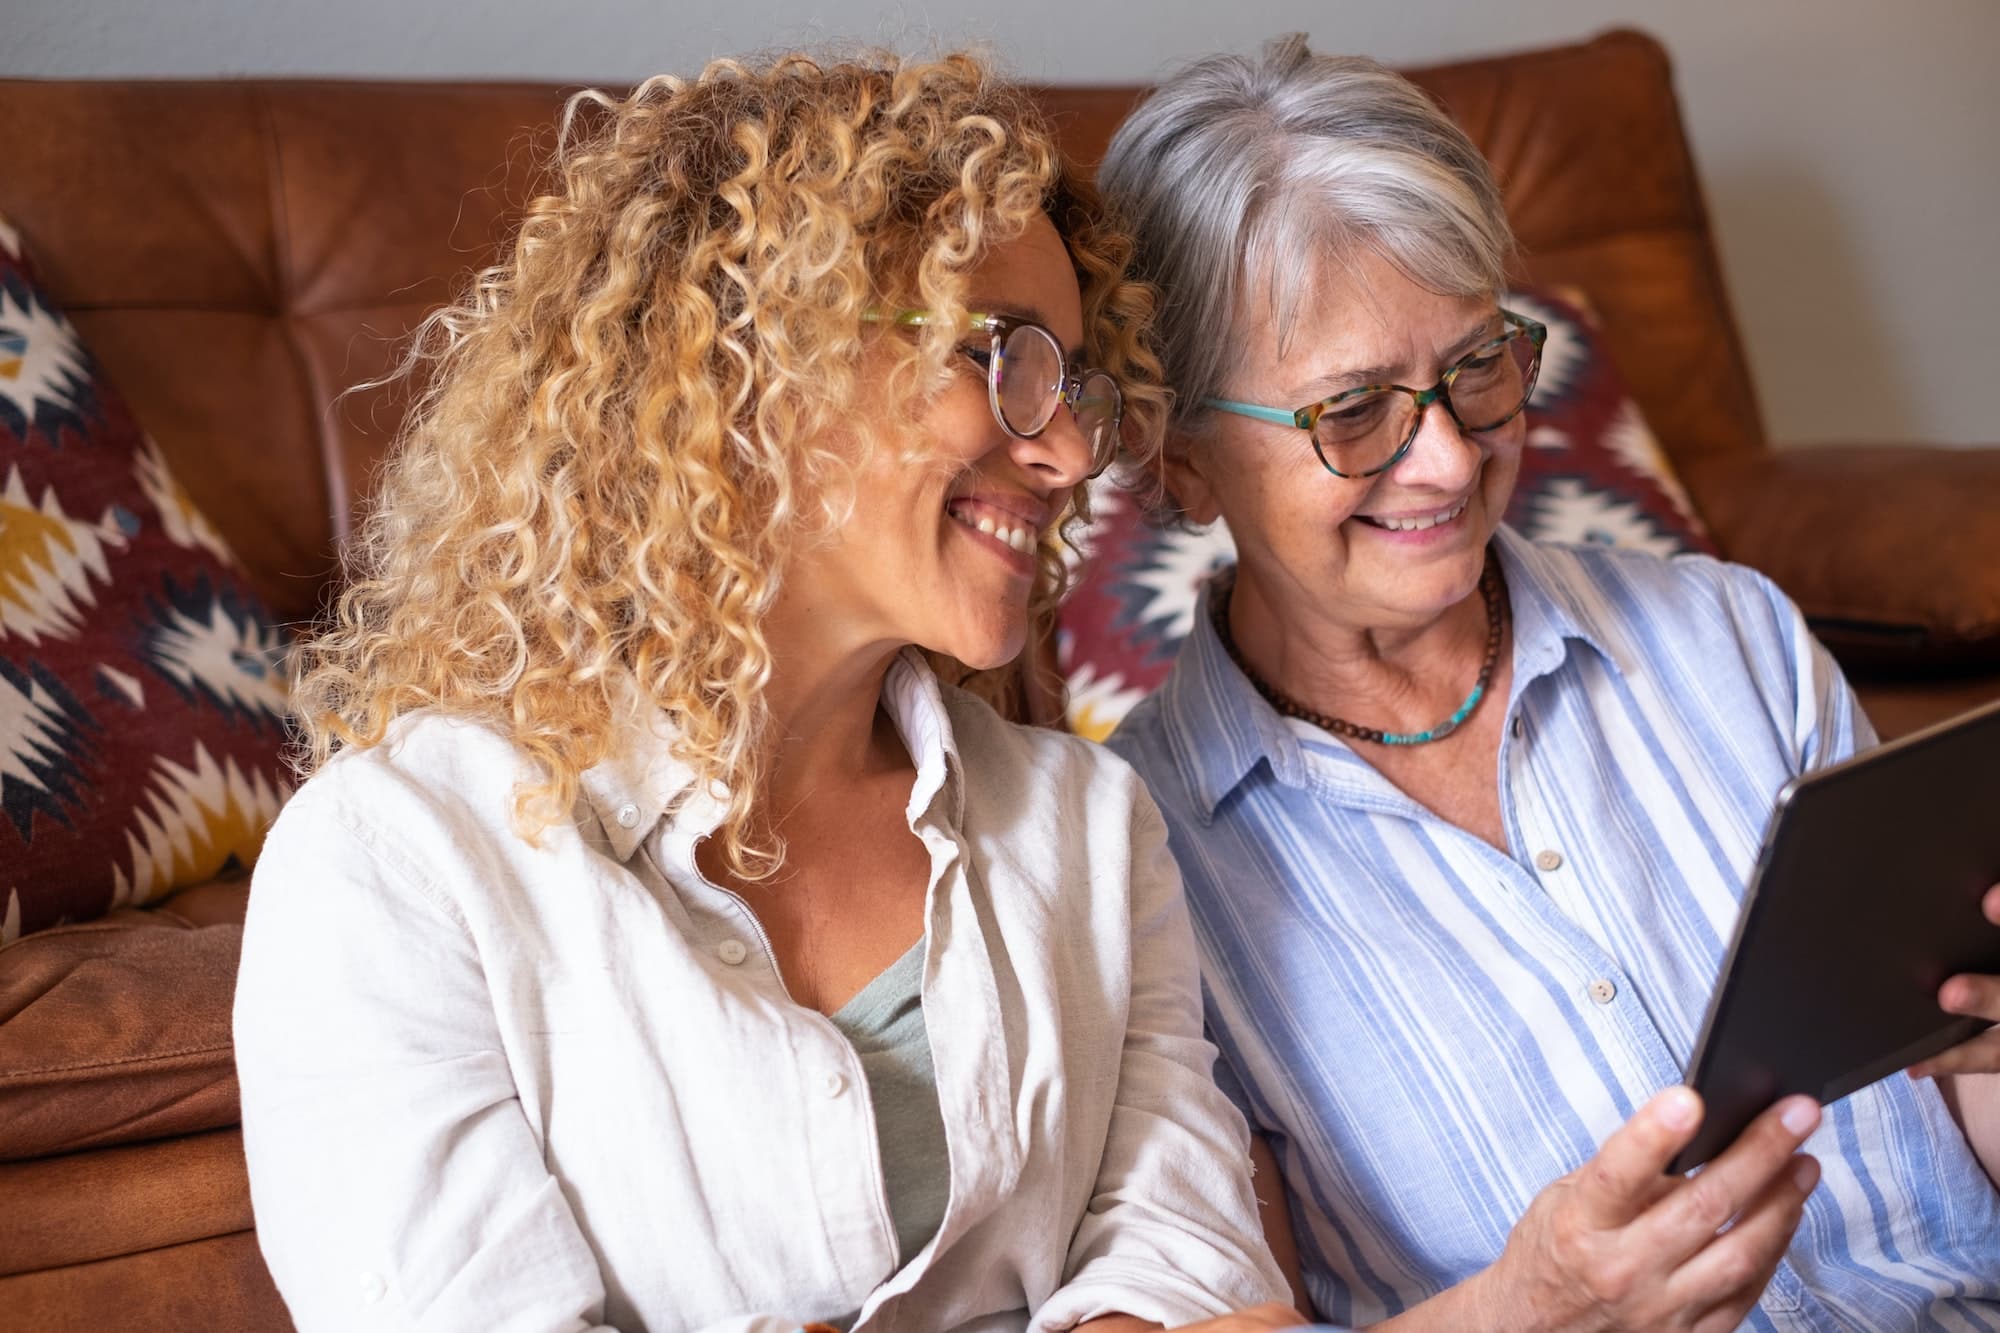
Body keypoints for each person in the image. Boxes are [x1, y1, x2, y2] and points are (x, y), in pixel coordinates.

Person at [232, 51, 1308, 1333]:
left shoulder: (1088, 828)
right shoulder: (398, 864)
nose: (1072, 449)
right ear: (767, 362)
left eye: (1075, 384)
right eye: (1006, 358)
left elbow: (1193, 1280)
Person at [1097, 35, 2000, 1331]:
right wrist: (1532, 1312)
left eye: (1477, 367)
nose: (1451, 464)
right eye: (1352, 412)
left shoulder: (1729, 636)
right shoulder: (1135, 873)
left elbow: (1949, 1095)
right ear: (1178, 458)